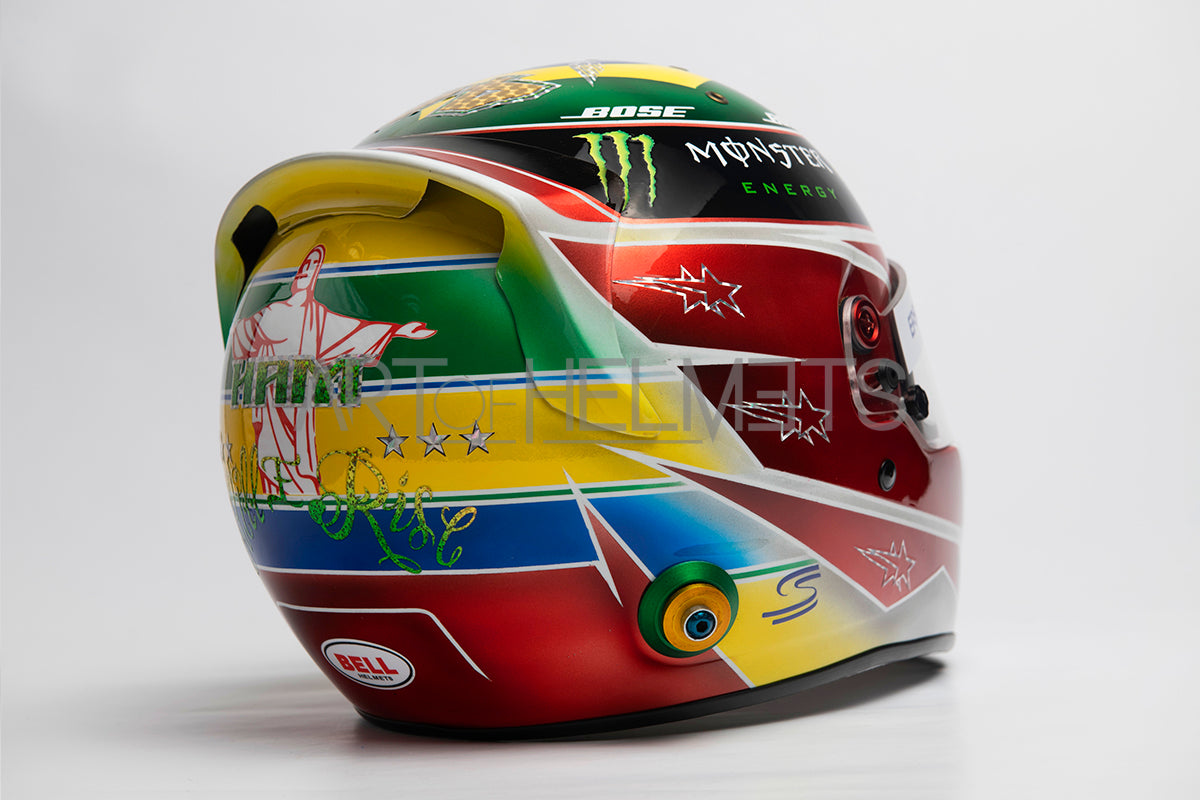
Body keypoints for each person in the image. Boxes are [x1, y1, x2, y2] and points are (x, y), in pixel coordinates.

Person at [229, 244, 435, 496]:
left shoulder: (317, 317)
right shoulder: (271, 310)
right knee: (269, 454)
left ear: (314, 277)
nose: (304, 273)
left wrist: (397, 330)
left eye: (311, 269)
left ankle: (301, 491)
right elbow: (240, 338)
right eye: (303, 268)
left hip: (298, 408)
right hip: (269, 404)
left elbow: (354, 332)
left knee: (299, 455)